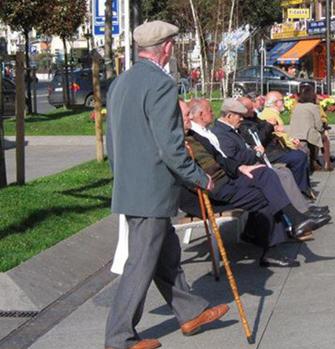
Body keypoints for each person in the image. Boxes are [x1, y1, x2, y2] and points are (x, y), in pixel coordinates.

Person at [104, 21, 229, 349]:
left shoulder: (121, 82)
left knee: (166, 254)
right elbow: (170, 146)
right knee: (141, 263)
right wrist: (199, 176)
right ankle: (119, 338)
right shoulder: (161, 84)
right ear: (169, 48)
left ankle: (189, 312)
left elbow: (112, 142)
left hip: (133, 186)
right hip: (151, 189)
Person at [182, 99, 330, 265]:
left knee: (265, 176)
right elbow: (203, 170)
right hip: (210, 193)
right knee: (265, 193)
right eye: (187, 115)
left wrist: (240, 168)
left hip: (223, 181)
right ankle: (276, 237)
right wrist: (239, 166)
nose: (190, 118)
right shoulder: (187, 140)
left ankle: (294, 222)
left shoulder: (196, 136)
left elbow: (221, 161)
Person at [214, 96, 313, 198]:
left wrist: (270, 126)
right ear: (230, 116)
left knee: (292, 164)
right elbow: (254, 142)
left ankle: (300, 200)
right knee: (293, 163)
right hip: (263, 156)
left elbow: (259, 132)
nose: (252, 110)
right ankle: (299, 198)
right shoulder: (237, 127)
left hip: (267, 152)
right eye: (249, 109)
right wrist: (257, 150)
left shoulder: (245, 121)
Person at [289, 86, 328, 170]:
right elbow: (318, 125)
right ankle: (325, 163)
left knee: (314, 137)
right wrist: (322, 129)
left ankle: (313, 162)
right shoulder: (313, 107)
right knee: (323, 138)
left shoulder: (296, 106)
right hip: (307, 135)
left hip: (293, 134)